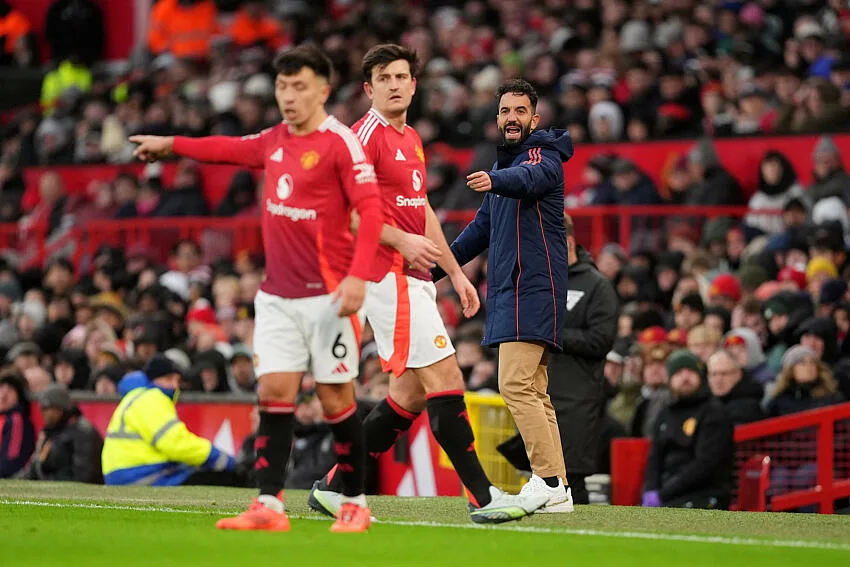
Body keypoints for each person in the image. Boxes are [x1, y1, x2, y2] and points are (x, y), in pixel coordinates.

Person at [129, 44, 385, 533]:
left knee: (335, 401)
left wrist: (358, 275)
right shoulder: (274, 139)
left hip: (329, 297)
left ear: (323, 91)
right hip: (276, 298)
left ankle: (354, 502)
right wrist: (172, 144)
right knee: (273, 395)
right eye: (282, 86)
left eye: (299, 87)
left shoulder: (341, 143)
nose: (288, 96)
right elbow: (226, 149)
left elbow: (371, 211)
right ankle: (269, 503)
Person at [309, 44, 546, 523]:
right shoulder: (365, 136)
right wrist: (401, 241)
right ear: (369, 89)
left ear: (414, 85)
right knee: (447, 379)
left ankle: (335, 487)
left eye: (401, 76)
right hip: (385, 274)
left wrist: (455, 272)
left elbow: (423, 210)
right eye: (384, 78)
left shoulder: (411, 138)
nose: (394, 85)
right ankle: (483, 496)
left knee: (410, 395)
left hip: (412, 276)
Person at [434, 78, 574, 510]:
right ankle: (558, 488)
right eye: (505, 111)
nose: (512, 118)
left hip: (533, 288)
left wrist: (495, 180)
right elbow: (479, 231)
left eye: (520, 111)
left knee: (513, 383)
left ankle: (546, 480)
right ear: (497, 119)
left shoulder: (544, 155)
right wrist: (434, 270)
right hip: (516, 291)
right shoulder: (504, 170)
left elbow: (530, 178)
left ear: (535, 118)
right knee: (533, 389)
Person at [545, 213, 619, 504]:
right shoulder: (542, 280)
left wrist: (552, 334)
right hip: (542, 394)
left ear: (568, 242)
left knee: (571, 478)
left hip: (578, 398)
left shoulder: (597, 286)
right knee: (542, 475)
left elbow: (601, 340)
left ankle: (583, 528)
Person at [101, 355, 236, 486]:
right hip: (142, 474)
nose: (174, 385)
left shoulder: (136, 396)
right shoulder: (152, 398)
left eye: (177, 380)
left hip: (126, 473)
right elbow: (175, 443)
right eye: (168, 379)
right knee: (223, 479)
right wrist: (219, 458)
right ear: (153, 379)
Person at [641, 350, 734, 510]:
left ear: (700, 376)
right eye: (678, 372)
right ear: (670, 379)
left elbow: (704, 465)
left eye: (690, 371)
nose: (685, 377)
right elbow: (655, 457)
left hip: (705, 494)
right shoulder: (666, 413)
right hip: (669, 493)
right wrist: (650, 489)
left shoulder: (713, 412)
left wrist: (663, 494)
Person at [22, 384, 103, 482]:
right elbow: (35, 468)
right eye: (44, 409)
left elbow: (84, 476)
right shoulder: (53, 431)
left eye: (50, 409)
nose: (47, 414)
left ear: (62, 409)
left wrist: (46, 479)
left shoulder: (83, 432)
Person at [706, 349, 765, 426]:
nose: (718, 380)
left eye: (724, 374)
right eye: (713, 374)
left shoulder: (748, 407)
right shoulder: (707, 402)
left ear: (738, 374)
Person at [0, 373, 35, 478]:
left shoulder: (16, 420)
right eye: (1, 388)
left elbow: (11, 460)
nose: (3, 395)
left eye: (10, 390)